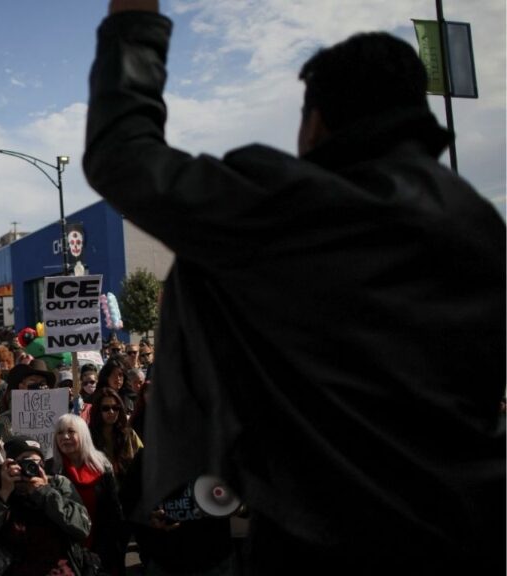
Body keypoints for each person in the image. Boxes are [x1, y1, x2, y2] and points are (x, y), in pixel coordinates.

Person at [83, 2, 505, 572]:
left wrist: (134, 21)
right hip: (472, 534)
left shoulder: (295, 207)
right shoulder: (479, 225)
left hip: (327, 541)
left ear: (318, 122)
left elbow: (125, 156)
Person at [0, 435, 91, 576]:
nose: (32, 468)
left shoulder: (58, 485)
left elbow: (83, 527)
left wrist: (45, 493)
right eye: (24, 462)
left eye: (37, 463)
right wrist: (4, 494)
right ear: (10, 464)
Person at [53, 414, 126, 575]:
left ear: (83, 435)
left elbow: (114, 512)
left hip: (103, 550)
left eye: (71, 432)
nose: (65, 437)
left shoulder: (102, 467)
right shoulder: (51, 470)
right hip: (66, 554)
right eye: (59, 433)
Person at [88, 388, 141, 482]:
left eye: (115, 408)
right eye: (105, 408)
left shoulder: (129, 435)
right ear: (98, 410)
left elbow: (142, 460)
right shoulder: (89, 436)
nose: (111, 412)